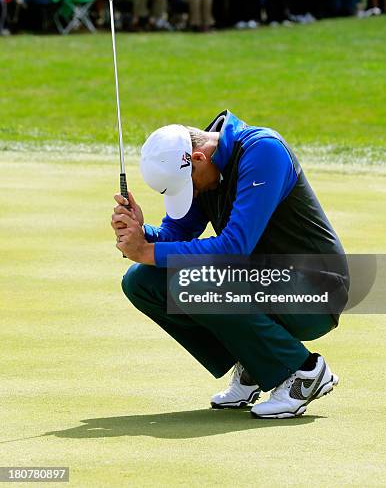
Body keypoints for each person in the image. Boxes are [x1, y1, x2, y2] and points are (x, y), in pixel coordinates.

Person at [111, 110, 349, 419]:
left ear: (198, 157)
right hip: (263, 281)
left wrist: (147, 250)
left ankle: (303, 372)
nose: (193, 194)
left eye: (191, 187)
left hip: (315, 290)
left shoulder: (264, 151)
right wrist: (140, 234)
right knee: (141, 281)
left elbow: (233, 249)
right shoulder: (201, 169)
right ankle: (253, 363)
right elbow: (176, 233)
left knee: (194, 282)